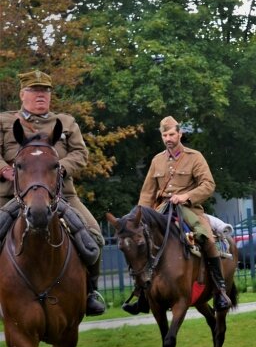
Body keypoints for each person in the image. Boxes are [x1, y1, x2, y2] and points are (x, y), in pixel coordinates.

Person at [0, 69, 106, 315]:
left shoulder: (66, 122)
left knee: (94, 237)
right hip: (11, 196)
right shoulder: (5, 121)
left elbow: (81, 154)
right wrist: (6, 169)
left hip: (61, 196)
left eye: (45, 91)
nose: (41, 96)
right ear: (22, 94)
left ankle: (90, 292)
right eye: (35, 91)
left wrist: (59, 170)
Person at [121, 115, 231, 315]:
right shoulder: (157, 160)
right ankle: (142, 295)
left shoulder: (194, 157)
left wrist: (186, 196)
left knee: (206, 239)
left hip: (189, 208)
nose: (168, 138)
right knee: (144, 243)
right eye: (165, 135)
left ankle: (220, 291)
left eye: (172, 133)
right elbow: (147, 192)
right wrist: (140, 216)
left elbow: (208, 185)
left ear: (179, 134)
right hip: (161, 210)